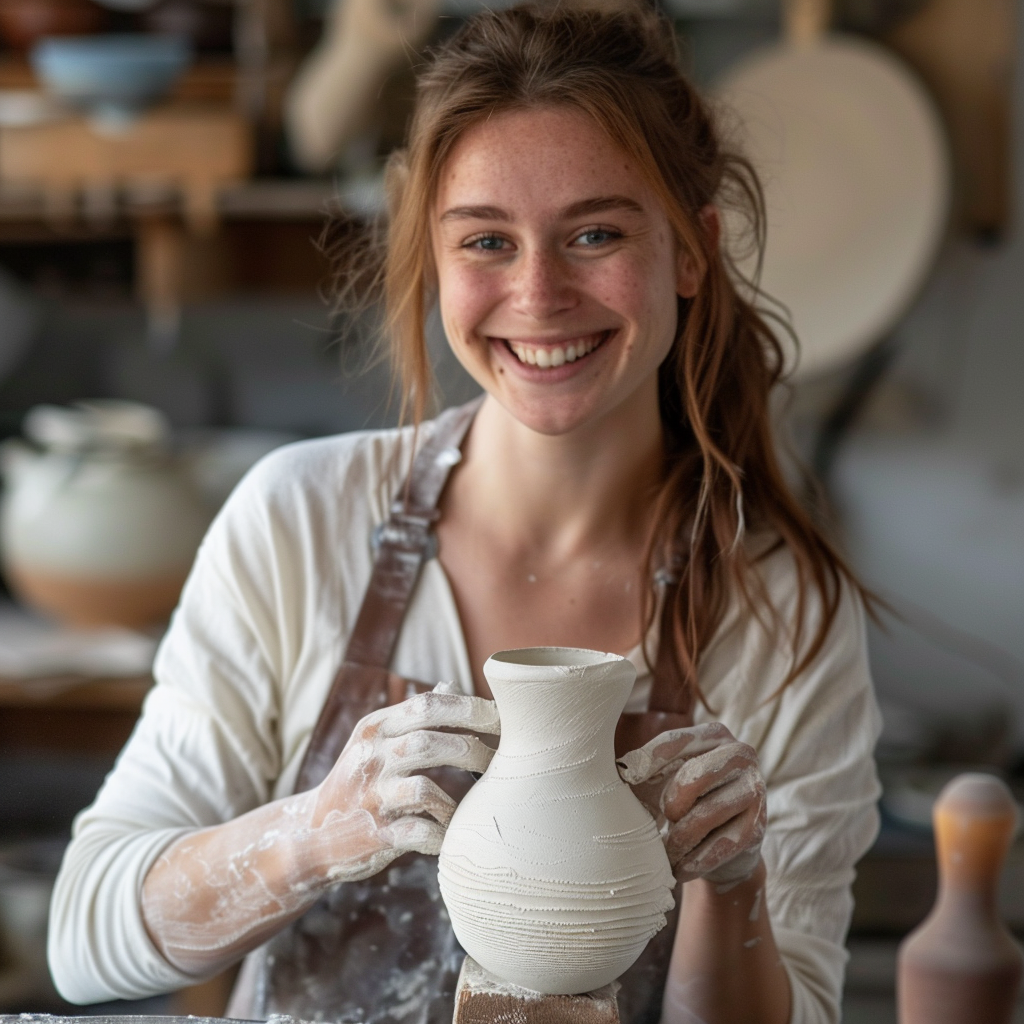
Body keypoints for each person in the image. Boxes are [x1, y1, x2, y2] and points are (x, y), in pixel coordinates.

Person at [48, 5, 881, 1023]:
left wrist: (733, 884)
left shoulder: (778, 607)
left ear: (692, 251)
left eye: (595, 233)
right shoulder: (301, 519)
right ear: (435, 260)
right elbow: (83, 939)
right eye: (488, 240)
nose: (538, 294)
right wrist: (315, 833)